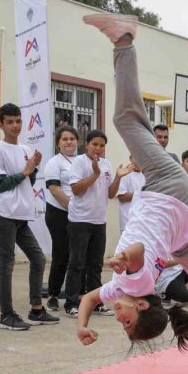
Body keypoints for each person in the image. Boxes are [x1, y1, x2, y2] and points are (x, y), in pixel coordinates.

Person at [76, 14, 188, 351]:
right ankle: (124, 39)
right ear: (141, 305)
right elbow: (138, 254)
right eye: (126, 321)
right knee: (126, 119)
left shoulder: (117, 291)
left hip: (182, 217)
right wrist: (124, 258)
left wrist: (82, 325)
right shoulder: (134, 280)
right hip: (168, 190)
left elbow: (87, 298)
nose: (117, 318)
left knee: (185, 250)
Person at [0, 103, 59, 330]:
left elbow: (27, 182)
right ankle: (6, 315)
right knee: (6, 264)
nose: (15, 126)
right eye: (9, 122)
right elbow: (1, 185)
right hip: (4, 214)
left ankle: (36, 309)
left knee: (38, 259)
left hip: (20, 216)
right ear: (1, 124)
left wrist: (33, 168)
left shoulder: (26, 150)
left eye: (18, 121)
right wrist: (26, 171)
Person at [64, 130, 132, 317]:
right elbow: (76, 190)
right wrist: (94, 174)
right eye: (95, 144)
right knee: (77, 263)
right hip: (79, 220)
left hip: (99, 220)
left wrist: (118, 177)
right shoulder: (79, 162)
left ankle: (96, 302)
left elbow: (110, 194)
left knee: (95, 264)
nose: (98, 148)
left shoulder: (107, 164)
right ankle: (71, 302)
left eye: (102, 145)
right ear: (86, 145)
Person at [43, 125, 79, 312]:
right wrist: (72, 207)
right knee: (62, 254)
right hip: (59, 212)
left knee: (78, 256)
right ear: (58, 143)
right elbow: (55, 189)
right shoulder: (54, 163)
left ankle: (76, 294)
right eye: (64, 139)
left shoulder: (82, 161)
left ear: (78, 142)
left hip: (80, 215)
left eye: (72, 138)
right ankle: (53, 295)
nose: (68, 142)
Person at [116, 154, 145, 232]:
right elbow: (121, 197)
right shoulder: (125, 174)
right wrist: (142, 195)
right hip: (128, 222)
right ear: (130, 158)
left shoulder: (145, 176)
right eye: (136, 157)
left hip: (142, 222)